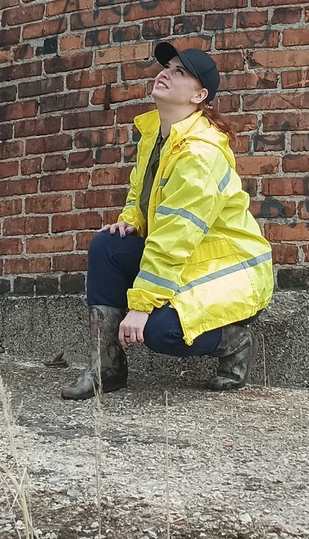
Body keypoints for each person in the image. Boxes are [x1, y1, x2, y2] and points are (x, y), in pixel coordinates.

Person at [62, 42, 273, 400]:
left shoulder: (199, 152)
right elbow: (141, 195)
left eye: (179, 72)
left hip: (229, 269)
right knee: (109, 246)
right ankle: (107, 368)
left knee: (160, 332)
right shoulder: (159, 135)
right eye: (166, 67)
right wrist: (130, 220)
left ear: (199, 95)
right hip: (189, 260)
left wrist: (141, 307)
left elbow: (177, 233)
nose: (165, 73)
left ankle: (235, 342)